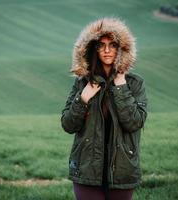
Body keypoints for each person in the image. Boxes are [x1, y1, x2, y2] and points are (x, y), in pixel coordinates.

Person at [61, 17, 148, 200]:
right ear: (93, 48)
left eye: (113, 44)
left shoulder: (134, 84)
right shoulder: (83, 84)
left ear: (122, 49)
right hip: (87, 171)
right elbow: (68, 125)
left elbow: (135, 122)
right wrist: (83, 97)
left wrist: (121, 87)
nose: (107, 50)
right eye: (101, 45)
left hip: (122, 170)